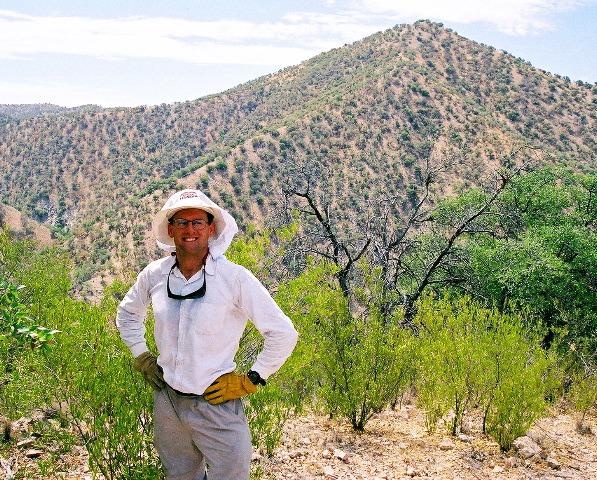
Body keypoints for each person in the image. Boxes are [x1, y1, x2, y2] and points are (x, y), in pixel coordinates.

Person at [116, 189, 298, 480]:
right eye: (182, 222)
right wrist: (141, 355)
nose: (190, 230)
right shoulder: (154, 275)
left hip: (217, 403)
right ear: (171, 229)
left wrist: (251, 380)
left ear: (211, 228)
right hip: (169, 402)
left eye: (198, 222)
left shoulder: (234, 278)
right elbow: (127, 314)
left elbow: (283, 333)